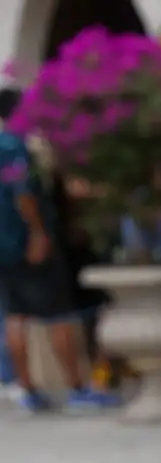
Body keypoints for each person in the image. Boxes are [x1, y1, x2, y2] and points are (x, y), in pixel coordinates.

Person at [0, 86, 97, 412]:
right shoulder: (14, 147)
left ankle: (27, 390)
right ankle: (76, 388)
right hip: (26, 241)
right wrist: (38, 233)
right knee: (60, 315)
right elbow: (23, 194)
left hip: (5, 245)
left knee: (15, 315)